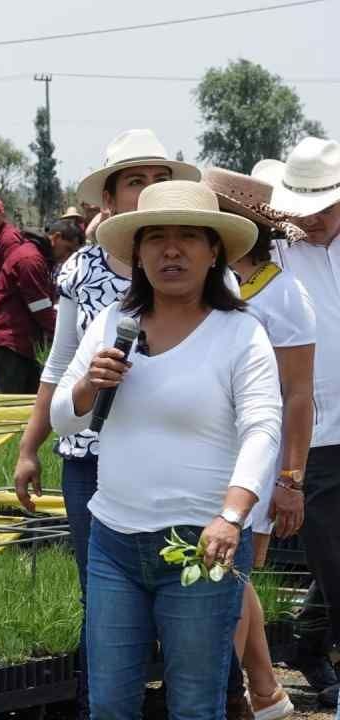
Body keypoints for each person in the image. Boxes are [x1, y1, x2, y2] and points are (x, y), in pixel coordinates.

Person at [51, 180, 281, 718]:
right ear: (137, 251)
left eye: (187, 238)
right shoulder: (114, 322)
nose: (170, 250)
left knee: (195, 706)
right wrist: (89, 385)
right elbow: (65, 417)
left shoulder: (240, 334)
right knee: (109, 705)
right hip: (113, 543)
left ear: (213, 251)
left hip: (203, 546)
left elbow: (262, 431)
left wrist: (232, 515)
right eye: (155, 237)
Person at [13, 128, 200, 717]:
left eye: (158, 181)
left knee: (188, 597)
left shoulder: (197, 270)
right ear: (111, 200)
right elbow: (61, 359)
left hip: (178, 457)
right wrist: (29, 445)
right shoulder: (80, 272)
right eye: (135, 181)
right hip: (93, 457)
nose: (147, 191)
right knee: (105, 603)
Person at [201, 167, 313, 720]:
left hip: (254, 451)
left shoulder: (284, 292)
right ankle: (262, 690)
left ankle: (247, 691)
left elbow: (297, 396)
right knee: (229, 573)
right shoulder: (213, 284)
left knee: (233, 571)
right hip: (207, 447)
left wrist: (290, 478)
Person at [255, 136, 340, 705]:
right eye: (301, 206)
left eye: (323, 207)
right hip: (314, 435)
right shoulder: (274, 253)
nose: (310, 219)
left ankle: (309, 641)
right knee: (333, 557)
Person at [0, 196, 54, 394]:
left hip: (11, 333)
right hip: (9, 336)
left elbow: (13, 270)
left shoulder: (8, 239)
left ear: (1, 215)